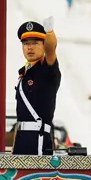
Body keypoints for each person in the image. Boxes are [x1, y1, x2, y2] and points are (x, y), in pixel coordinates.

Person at [13, 17, 61, 156]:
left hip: (38, 139)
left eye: (35, 43)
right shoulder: (24, 73)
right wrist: (14, 147)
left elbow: (51, 51)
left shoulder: (47, 69)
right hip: (21, 140)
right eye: (26, 43)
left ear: (43, 45)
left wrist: (49, 33)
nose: (30, 47)